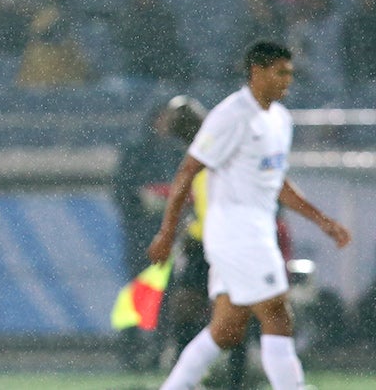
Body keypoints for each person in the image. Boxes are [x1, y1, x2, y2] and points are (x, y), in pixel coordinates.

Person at [147, 40, 351, 389]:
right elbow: (187, 172)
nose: (288, 79)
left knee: (226, 329)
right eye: (280, 72)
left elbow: (276, 182)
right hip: (237, 232)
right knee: (276, 313)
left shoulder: (281, 120)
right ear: (256, 72)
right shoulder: (231, 116)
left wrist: (321, 220)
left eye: (290, 72)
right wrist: (166, 234)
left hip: (255, 228)